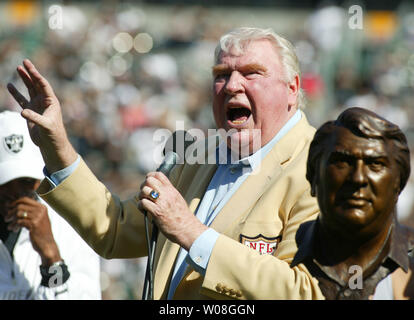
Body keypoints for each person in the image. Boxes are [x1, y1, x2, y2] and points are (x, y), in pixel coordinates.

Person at [7, 27, 324, 299]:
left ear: (292, 89)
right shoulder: (198, 157)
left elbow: (306, 292)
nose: (231, 86)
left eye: (251, 72)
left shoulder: (320, 169)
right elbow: (115, 231)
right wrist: (56, 145)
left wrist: (192, 233)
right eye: (221, 75)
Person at [292, 107, 414, 299]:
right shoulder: (285, 250)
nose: (357, 178)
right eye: (342, 162)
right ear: (314, 176)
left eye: (375, 164)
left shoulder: (409, 268)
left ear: (398, 183)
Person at [0, 111, 101, 300]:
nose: (14, 193)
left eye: (26, 181)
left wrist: (51, 258)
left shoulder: (72, 228)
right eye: (4, 182)